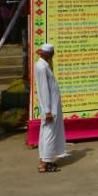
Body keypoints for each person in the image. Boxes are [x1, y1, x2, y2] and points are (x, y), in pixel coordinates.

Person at [35, 43, 66, 172]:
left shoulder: (45, 65)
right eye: (52, 53)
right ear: (48, 54)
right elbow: (43, 90)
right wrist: (47, 110)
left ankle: (44, 160)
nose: (53, 55)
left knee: (47, 133)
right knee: (49, 133)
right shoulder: (42, 67)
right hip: (49, 108)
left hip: (51, 106)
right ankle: (44, 163)